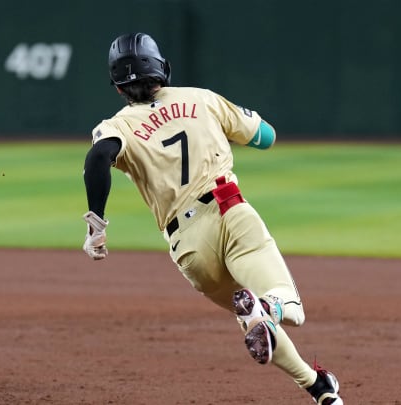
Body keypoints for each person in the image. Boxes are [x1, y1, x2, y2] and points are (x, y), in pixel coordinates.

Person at [81, 32, 343, 405]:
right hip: (228, 211)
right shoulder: (201, 98)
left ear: (118, 87)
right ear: (162, 69)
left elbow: (97, 159)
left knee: (249, 317)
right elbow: (265, 137)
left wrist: (97, 225)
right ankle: (267, 306)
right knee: (287, 308)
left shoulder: (117, 125)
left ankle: (319, 388)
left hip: (188, 248)